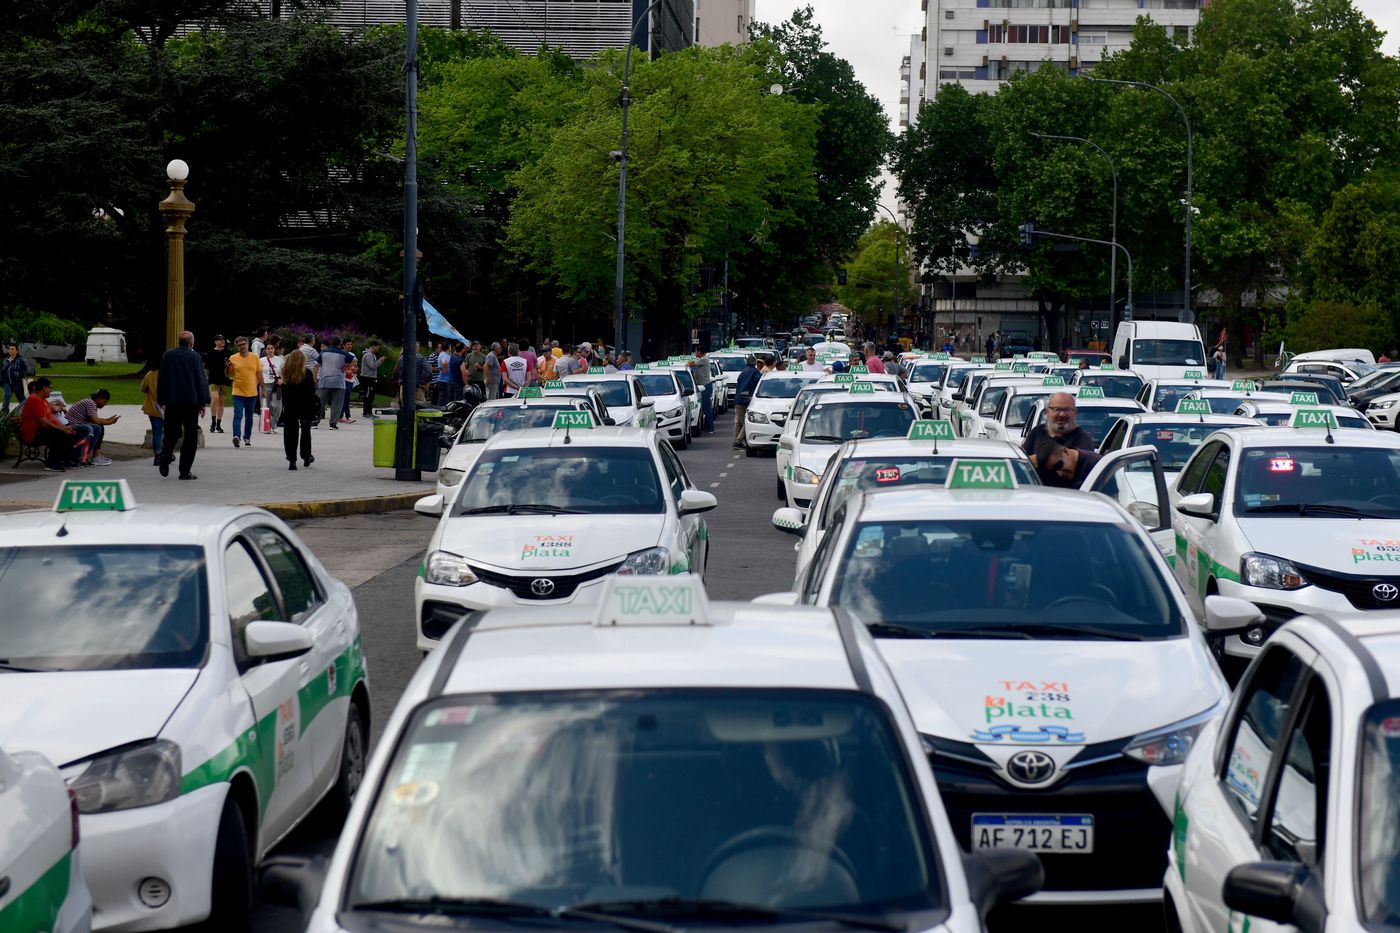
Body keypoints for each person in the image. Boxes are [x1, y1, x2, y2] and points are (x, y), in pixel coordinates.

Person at [156, 331, 210, 480]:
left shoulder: (168, 355)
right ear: (191, 343)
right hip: (190, 402)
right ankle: (184, 471)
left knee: (171, 432)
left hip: (172, 401)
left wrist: (161, 399)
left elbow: (162, 377)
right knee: (190, 436)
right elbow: (200, 380)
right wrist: (203, 402)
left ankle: (165, 454)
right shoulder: (195, 357)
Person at [1021, 392, 1101, 488]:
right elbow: (1021, 464)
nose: (1062, 414)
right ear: (1047, 411)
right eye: (1057, 409)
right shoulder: (1037, 432)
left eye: (1067, 410)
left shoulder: (1083, 439)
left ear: (1074, 412)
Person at [280, 349, 317, 470]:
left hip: (290, 406)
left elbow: (284, 391)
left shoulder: (286, 372)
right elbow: (312, 391)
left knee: (290, 432)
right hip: (305, 406)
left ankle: (292, 460)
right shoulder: (307, 373)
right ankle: (306, 456)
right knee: (306, 431)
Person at [64, 389, 119, 465]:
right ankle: (84, 456)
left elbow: (94, 420)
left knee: (98, 427)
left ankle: (93, 456)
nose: (105, 404)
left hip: (76, 424)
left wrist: (107, 419)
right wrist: (109, 422)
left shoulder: (90, 402)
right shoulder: (90, 403)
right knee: (97, 428)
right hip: (71, 426)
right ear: (99, 398)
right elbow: (96, 421)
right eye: (105, 401)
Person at [226, 336, 262, 447]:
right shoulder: (233, 358)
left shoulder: (255, 357)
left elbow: (259, 374)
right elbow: (228, 375)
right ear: (237, 346)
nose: (242, 346)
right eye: (240, 345)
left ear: (248, 344)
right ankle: (236, 436)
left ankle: (247, 437)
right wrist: (227, 367)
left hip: (252, 392)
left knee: (249, 417)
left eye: (244, 344)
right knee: (238, 415)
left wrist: (264, 389)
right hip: (238, 391)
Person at [315, 338, 351, 429]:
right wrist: (345, 366)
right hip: (338, 382)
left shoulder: (323, 352)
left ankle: (315, 421)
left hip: (324, 380)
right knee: (337, 404)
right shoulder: (344, 353)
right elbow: (354, 360)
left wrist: (314, 377)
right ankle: (333, 423)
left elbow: (316, 365)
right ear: (341, 344)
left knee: (320, 402)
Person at [203, 334, 231, 433]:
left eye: (223, 339)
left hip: (224, 379)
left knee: (221, 402)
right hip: (213, 379)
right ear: (215, 342)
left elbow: (231, 368)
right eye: (220, 340)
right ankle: (213, 421)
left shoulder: (228, 353)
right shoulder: (210, 353)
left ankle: (219, 424)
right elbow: (206, 368)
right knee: (214, 399)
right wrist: (205, 378)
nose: (222, 341)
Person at [732, 355, 761, 449]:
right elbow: (759, 383)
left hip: (738, 399)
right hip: (746, 400)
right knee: (747, 422)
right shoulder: (755, 372)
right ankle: (738, 441)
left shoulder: (743, 371)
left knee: (738, 422)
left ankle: (737, 441)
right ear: (755, 363)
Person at [140, 363, 162, 465]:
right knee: (170, 432)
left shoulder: (150, 374)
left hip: (153, 407)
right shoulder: (170, 373)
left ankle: (157, 455)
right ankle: (167, 454)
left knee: (156, 432)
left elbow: (143, 388)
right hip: (168, 408)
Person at [261, 341, 284, 434]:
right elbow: (258, 374)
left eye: (272, 348)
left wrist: (282, 380)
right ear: (265, 350)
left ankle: (274, 423)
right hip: (266, 385)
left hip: (277, 385)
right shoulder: (261, 360)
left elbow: (284, 372)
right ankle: (268, 425)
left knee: (278, 405)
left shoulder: (280, 360)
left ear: (274, 349)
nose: (270, 350)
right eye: (268, 349)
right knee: (267, 405)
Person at [691, 344, 715, 433]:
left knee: (706, 408)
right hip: (703, 386)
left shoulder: (704, 359)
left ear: (700, 352)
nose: (695, 353)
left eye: (696, 351)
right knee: (705, 408)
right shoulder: (702, 359)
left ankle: (710, 428)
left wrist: (686, 363)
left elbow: (692, 364)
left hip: (705, 386)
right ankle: (707, 426)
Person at [1, 343, 26, 414]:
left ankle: (26, 411)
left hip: (17, 382)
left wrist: (19, 374)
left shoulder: (20, 360)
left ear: (17, 351)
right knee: (7, 395)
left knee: (22, 398)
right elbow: (2, 370)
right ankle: (5, 412)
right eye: (9, 349)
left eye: (12, 349)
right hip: (6, 382)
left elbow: (24, 370)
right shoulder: (5, 360)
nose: (11, 350)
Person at [359, 340, 381, 418]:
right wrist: (380, 361)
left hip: (371, 378)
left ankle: (369, 412)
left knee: (371, 396)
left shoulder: (372, 355)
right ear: (373, 346)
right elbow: (372, 366)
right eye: (377, 347)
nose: (378, 349)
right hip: (368, 378)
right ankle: (366, 413)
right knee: (368, 396)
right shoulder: (368, 355)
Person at [339, 338, 358, 423]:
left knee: (346, 398)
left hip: (350, 380)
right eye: (348, 344)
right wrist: (347, 369)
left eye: (351, 344)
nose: (350, 346)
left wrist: (353, 370)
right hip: (342, 379)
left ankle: (341, 416)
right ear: (343, 345)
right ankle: (347, 417)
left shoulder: (352, 354)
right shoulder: (341, 354)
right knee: (345, 398)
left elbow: (356, 366)